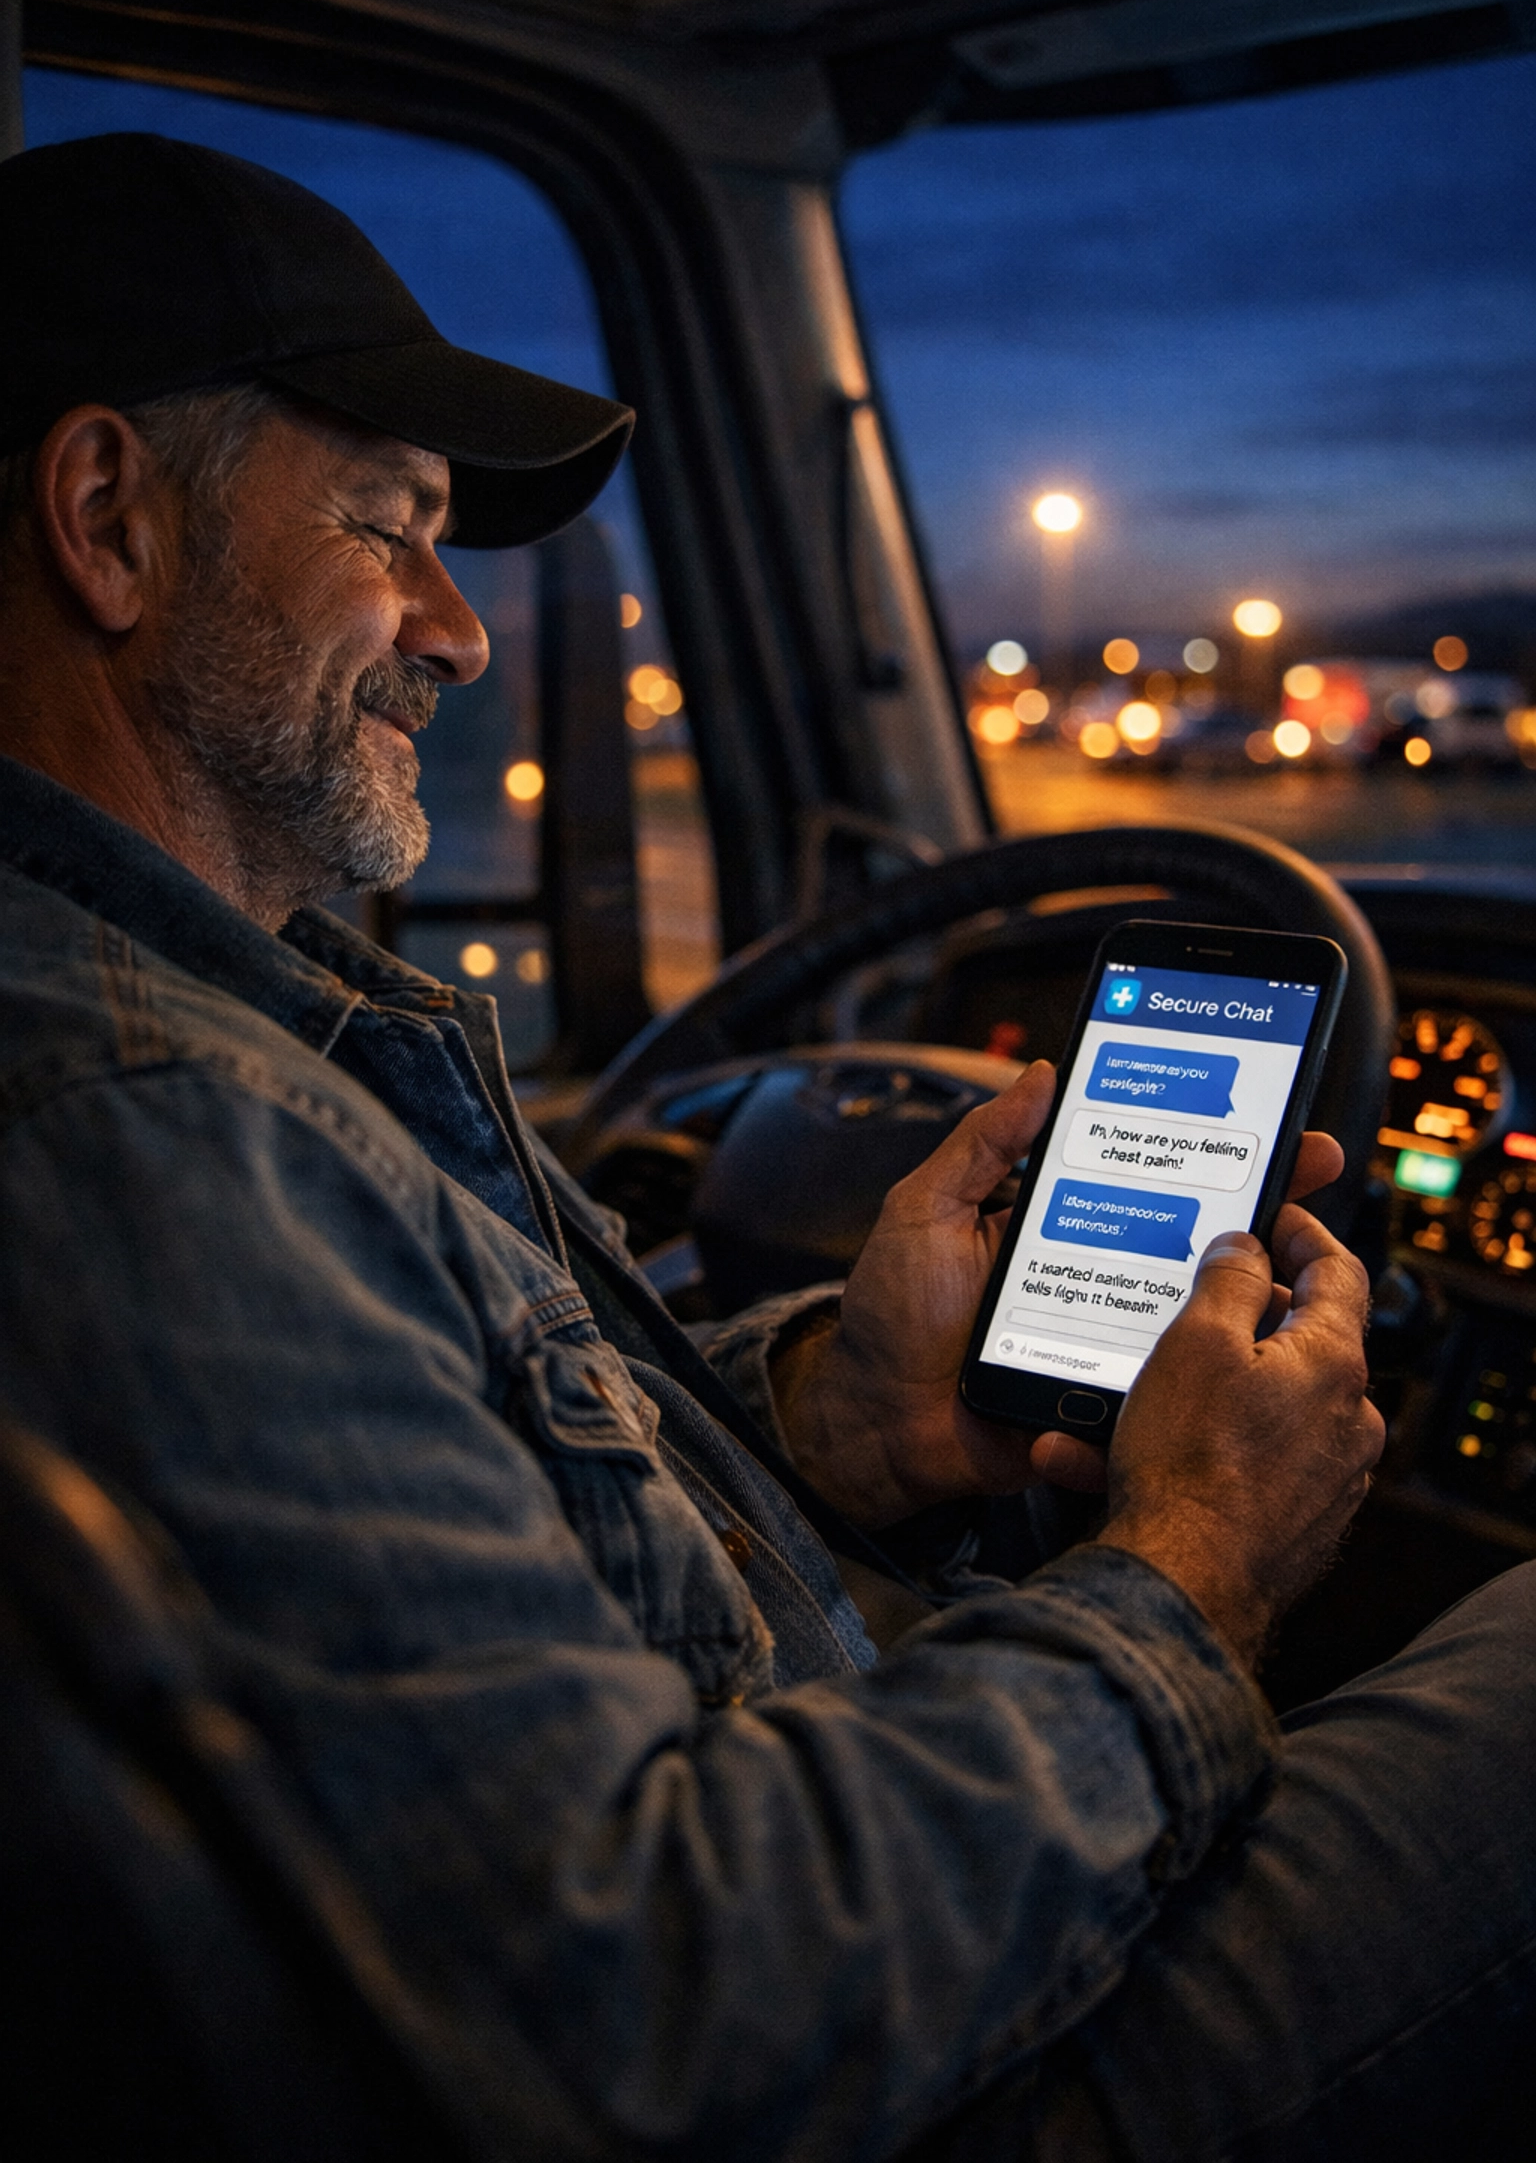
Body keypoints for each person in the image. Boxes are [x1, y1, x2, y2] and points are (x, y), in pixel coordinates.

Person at [0, 131, 1529, 2163]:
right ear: (107, 520)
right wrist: (1195, 1567)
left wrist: (835, 1426)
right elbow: (651, 2026)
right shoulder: (150, 1125)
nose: (461, 634)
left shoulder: (214, 1035)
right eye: (390, 528)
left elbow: (452, 1552)